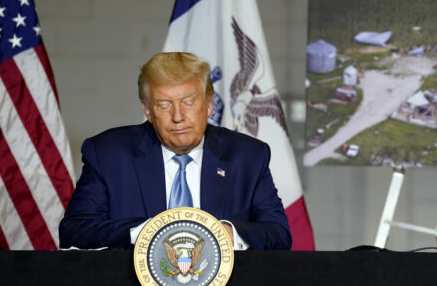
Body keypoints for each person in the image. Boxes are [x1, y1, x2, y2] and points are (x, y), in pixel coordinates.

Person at [59, 52, 292, 250]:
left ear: (209, 103)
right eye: (164, 105)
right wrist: (147, 232)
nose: (178, 117)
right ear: (147, 110)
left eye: (188, 102)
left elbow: (279, 235)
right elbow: (74, 231)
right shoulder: (108, 154)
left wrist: (225, 233)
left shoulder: (247, 156)